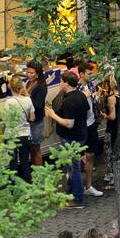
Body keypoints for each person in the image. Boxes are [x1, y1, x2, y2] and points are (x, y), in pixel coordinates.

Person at [45, 71, 93, 206]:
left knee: (73, 168)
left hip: (71, 138)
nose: (60, 83)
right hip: (81, 135)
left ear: (66, 83)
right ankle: (70, 192)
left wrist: (53, 115)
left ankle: (77, 198)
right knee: (71, 167)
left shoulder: (69, 101)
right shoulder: (81, 95)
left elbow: (69, 123)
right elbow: (89, 114)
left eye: (61, 81)